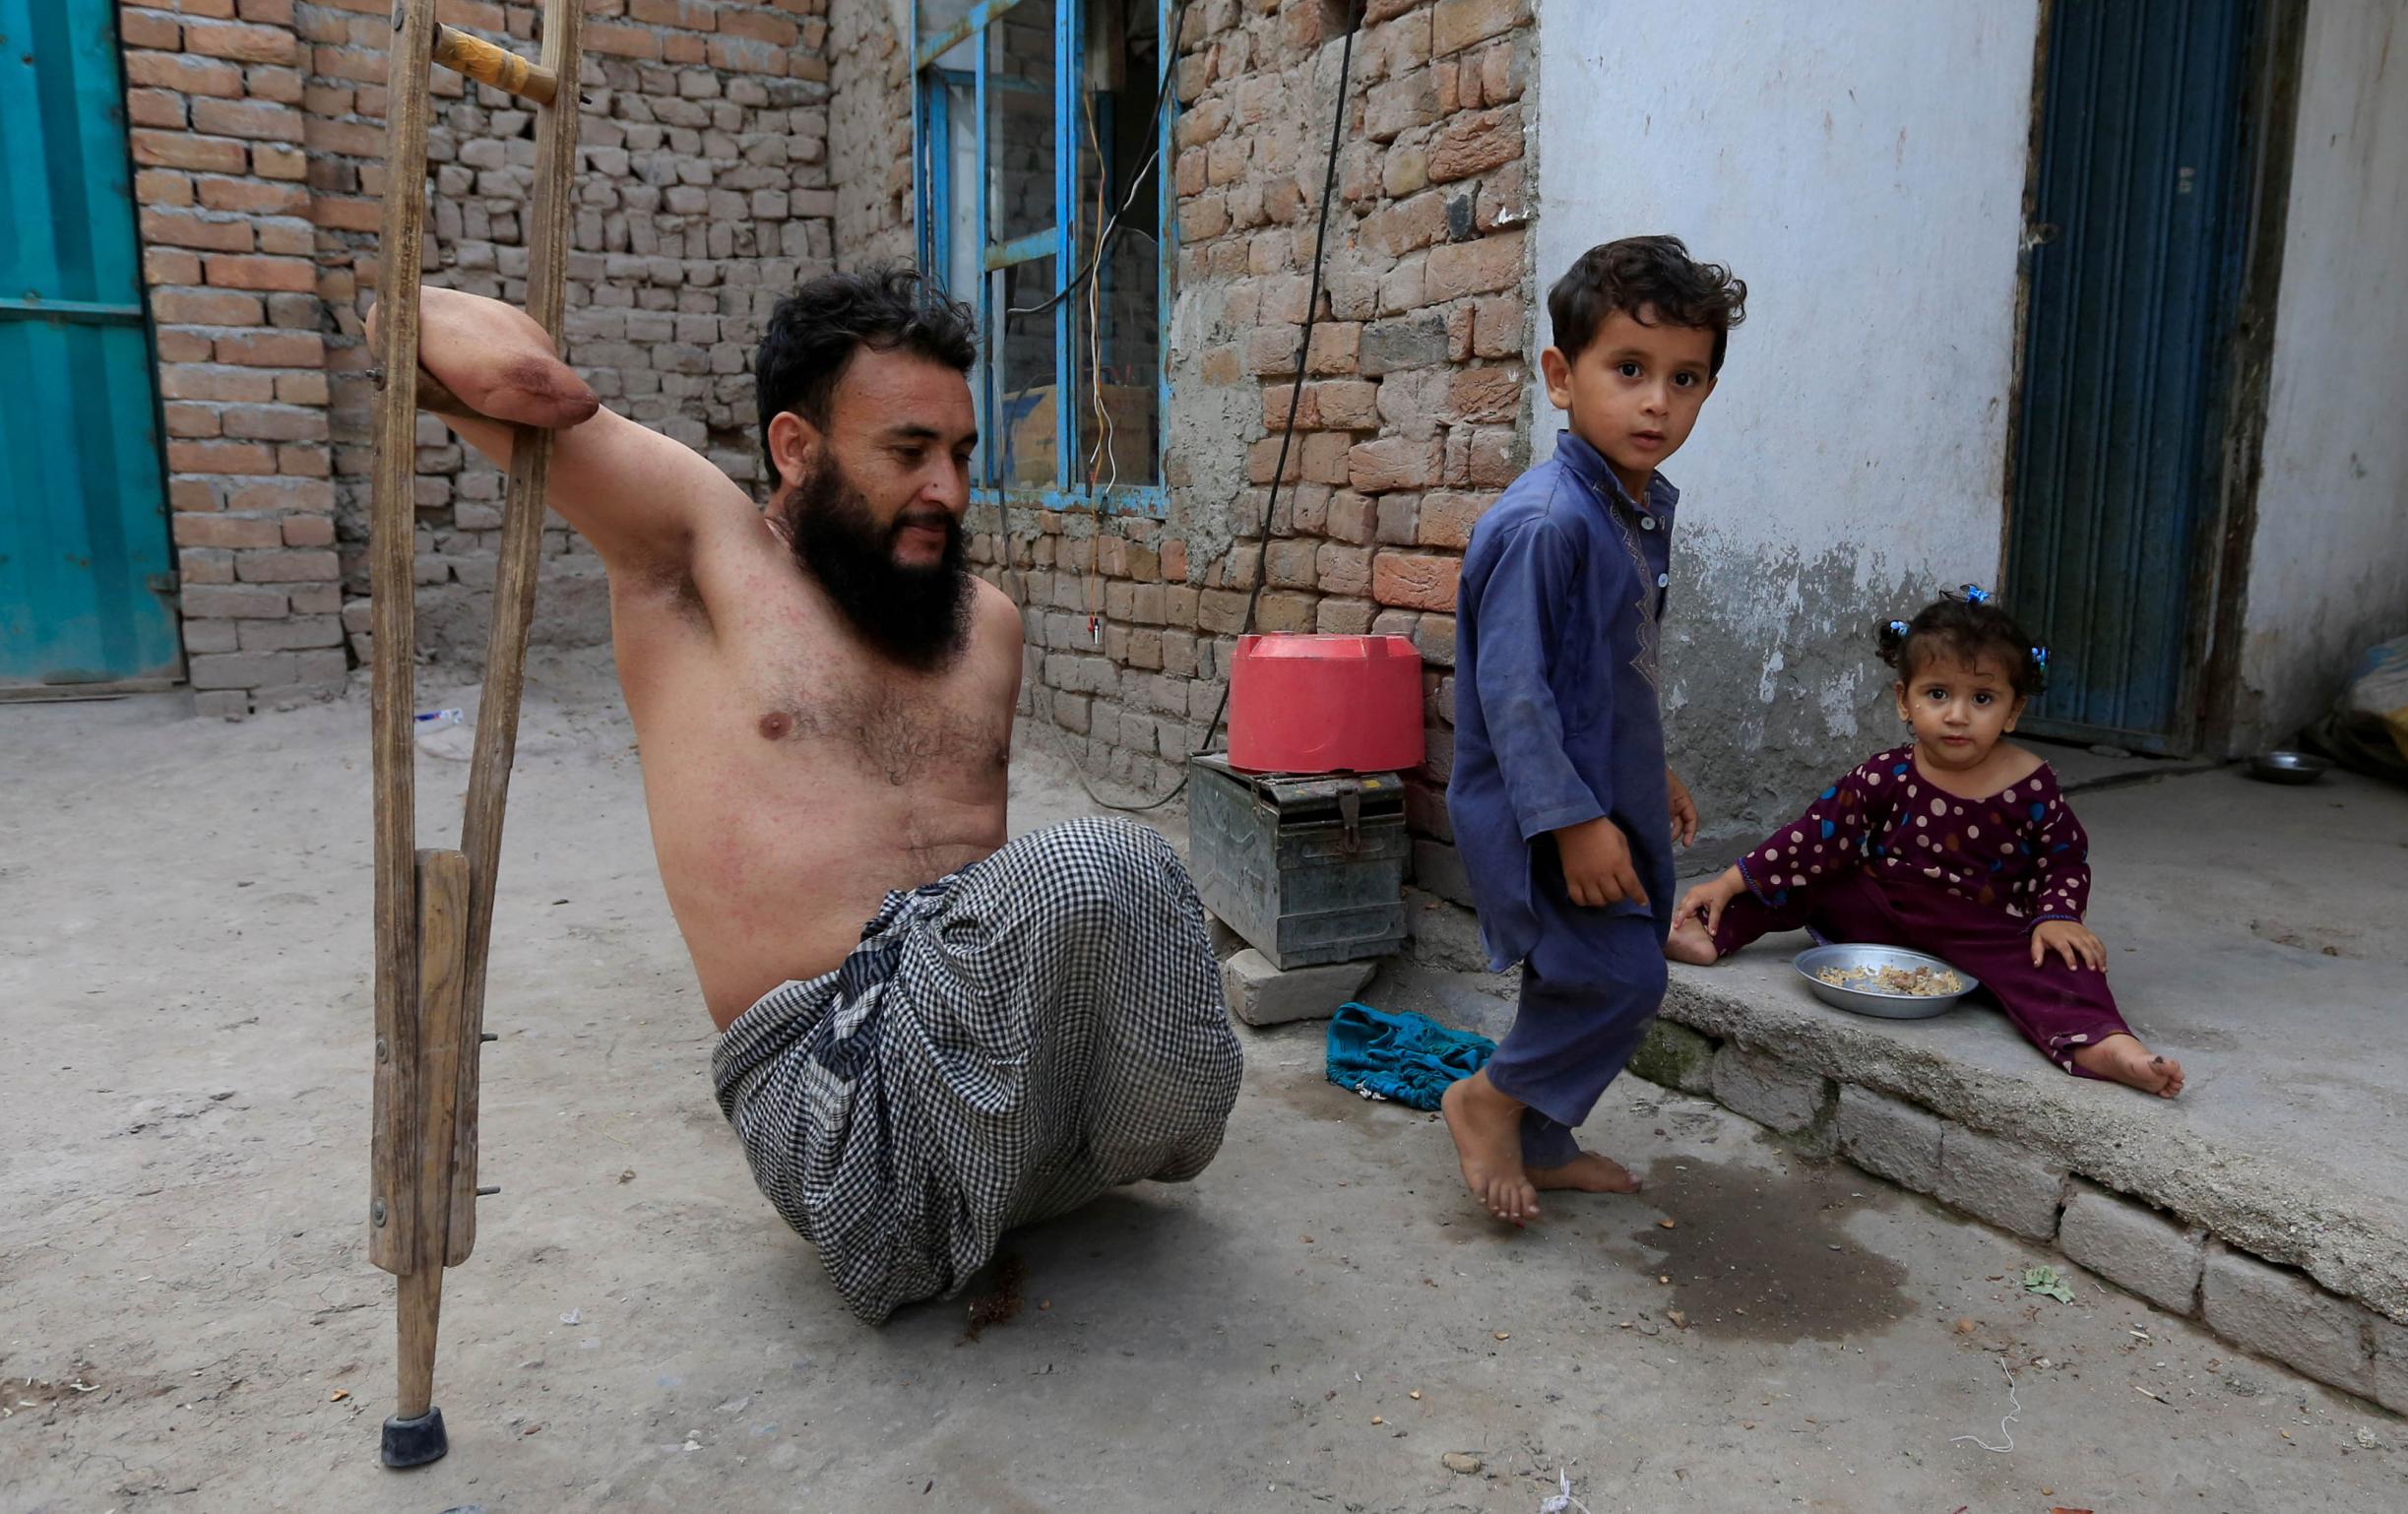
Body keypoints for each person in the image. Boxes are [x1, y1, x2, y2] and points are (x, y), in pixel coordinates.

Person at [387, 268, 1242, 1323]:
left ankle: (1010, 1185)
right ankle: (935, 1213)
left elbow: (981, 918)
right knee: (1107, 863)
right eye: (907, 452)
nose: (949, 490)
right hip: (833, 1121)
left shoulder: (985, 625)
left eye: (962, 454)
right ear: (795, 448)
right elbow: (424, 329)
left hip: (1015, 1110)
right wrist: (542, 387)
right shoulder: (697, 555)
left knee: (1128, 885)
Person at [1442, 235, 1748, 1225]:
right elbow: (1514, 695)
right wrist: (1573, 820)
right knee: (1618, 974)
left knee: (1578, 972)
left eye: (1685, 378)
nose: (1658, 402)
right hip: (1546, 807)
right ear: (1559, 378)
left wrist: (1647, 774)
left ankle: (1542, 1137)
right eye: (1629, 370)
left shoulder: (1631, 509)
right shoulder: (1547, 524)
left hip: (1600, 788)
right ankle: (1486, 1103)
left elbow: (1609, 673)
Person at [1668, 591, 2185, 1098]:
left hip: (1984, 929)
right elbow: (1815, 836)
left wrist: (2058, 914)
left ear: (2013, 711)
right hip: (1883, 907)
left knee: (2065, 959)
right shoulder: (1886, 774)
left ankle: (2106, 1044)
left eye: (1981, 699)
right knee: (1809, 872)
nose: (1957, 715)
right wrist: (1730, 880)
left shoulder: (2031, 787)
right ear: (1904, 701)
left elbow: (2064, 859)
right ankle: (1714, 933)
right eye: (1938, 694)